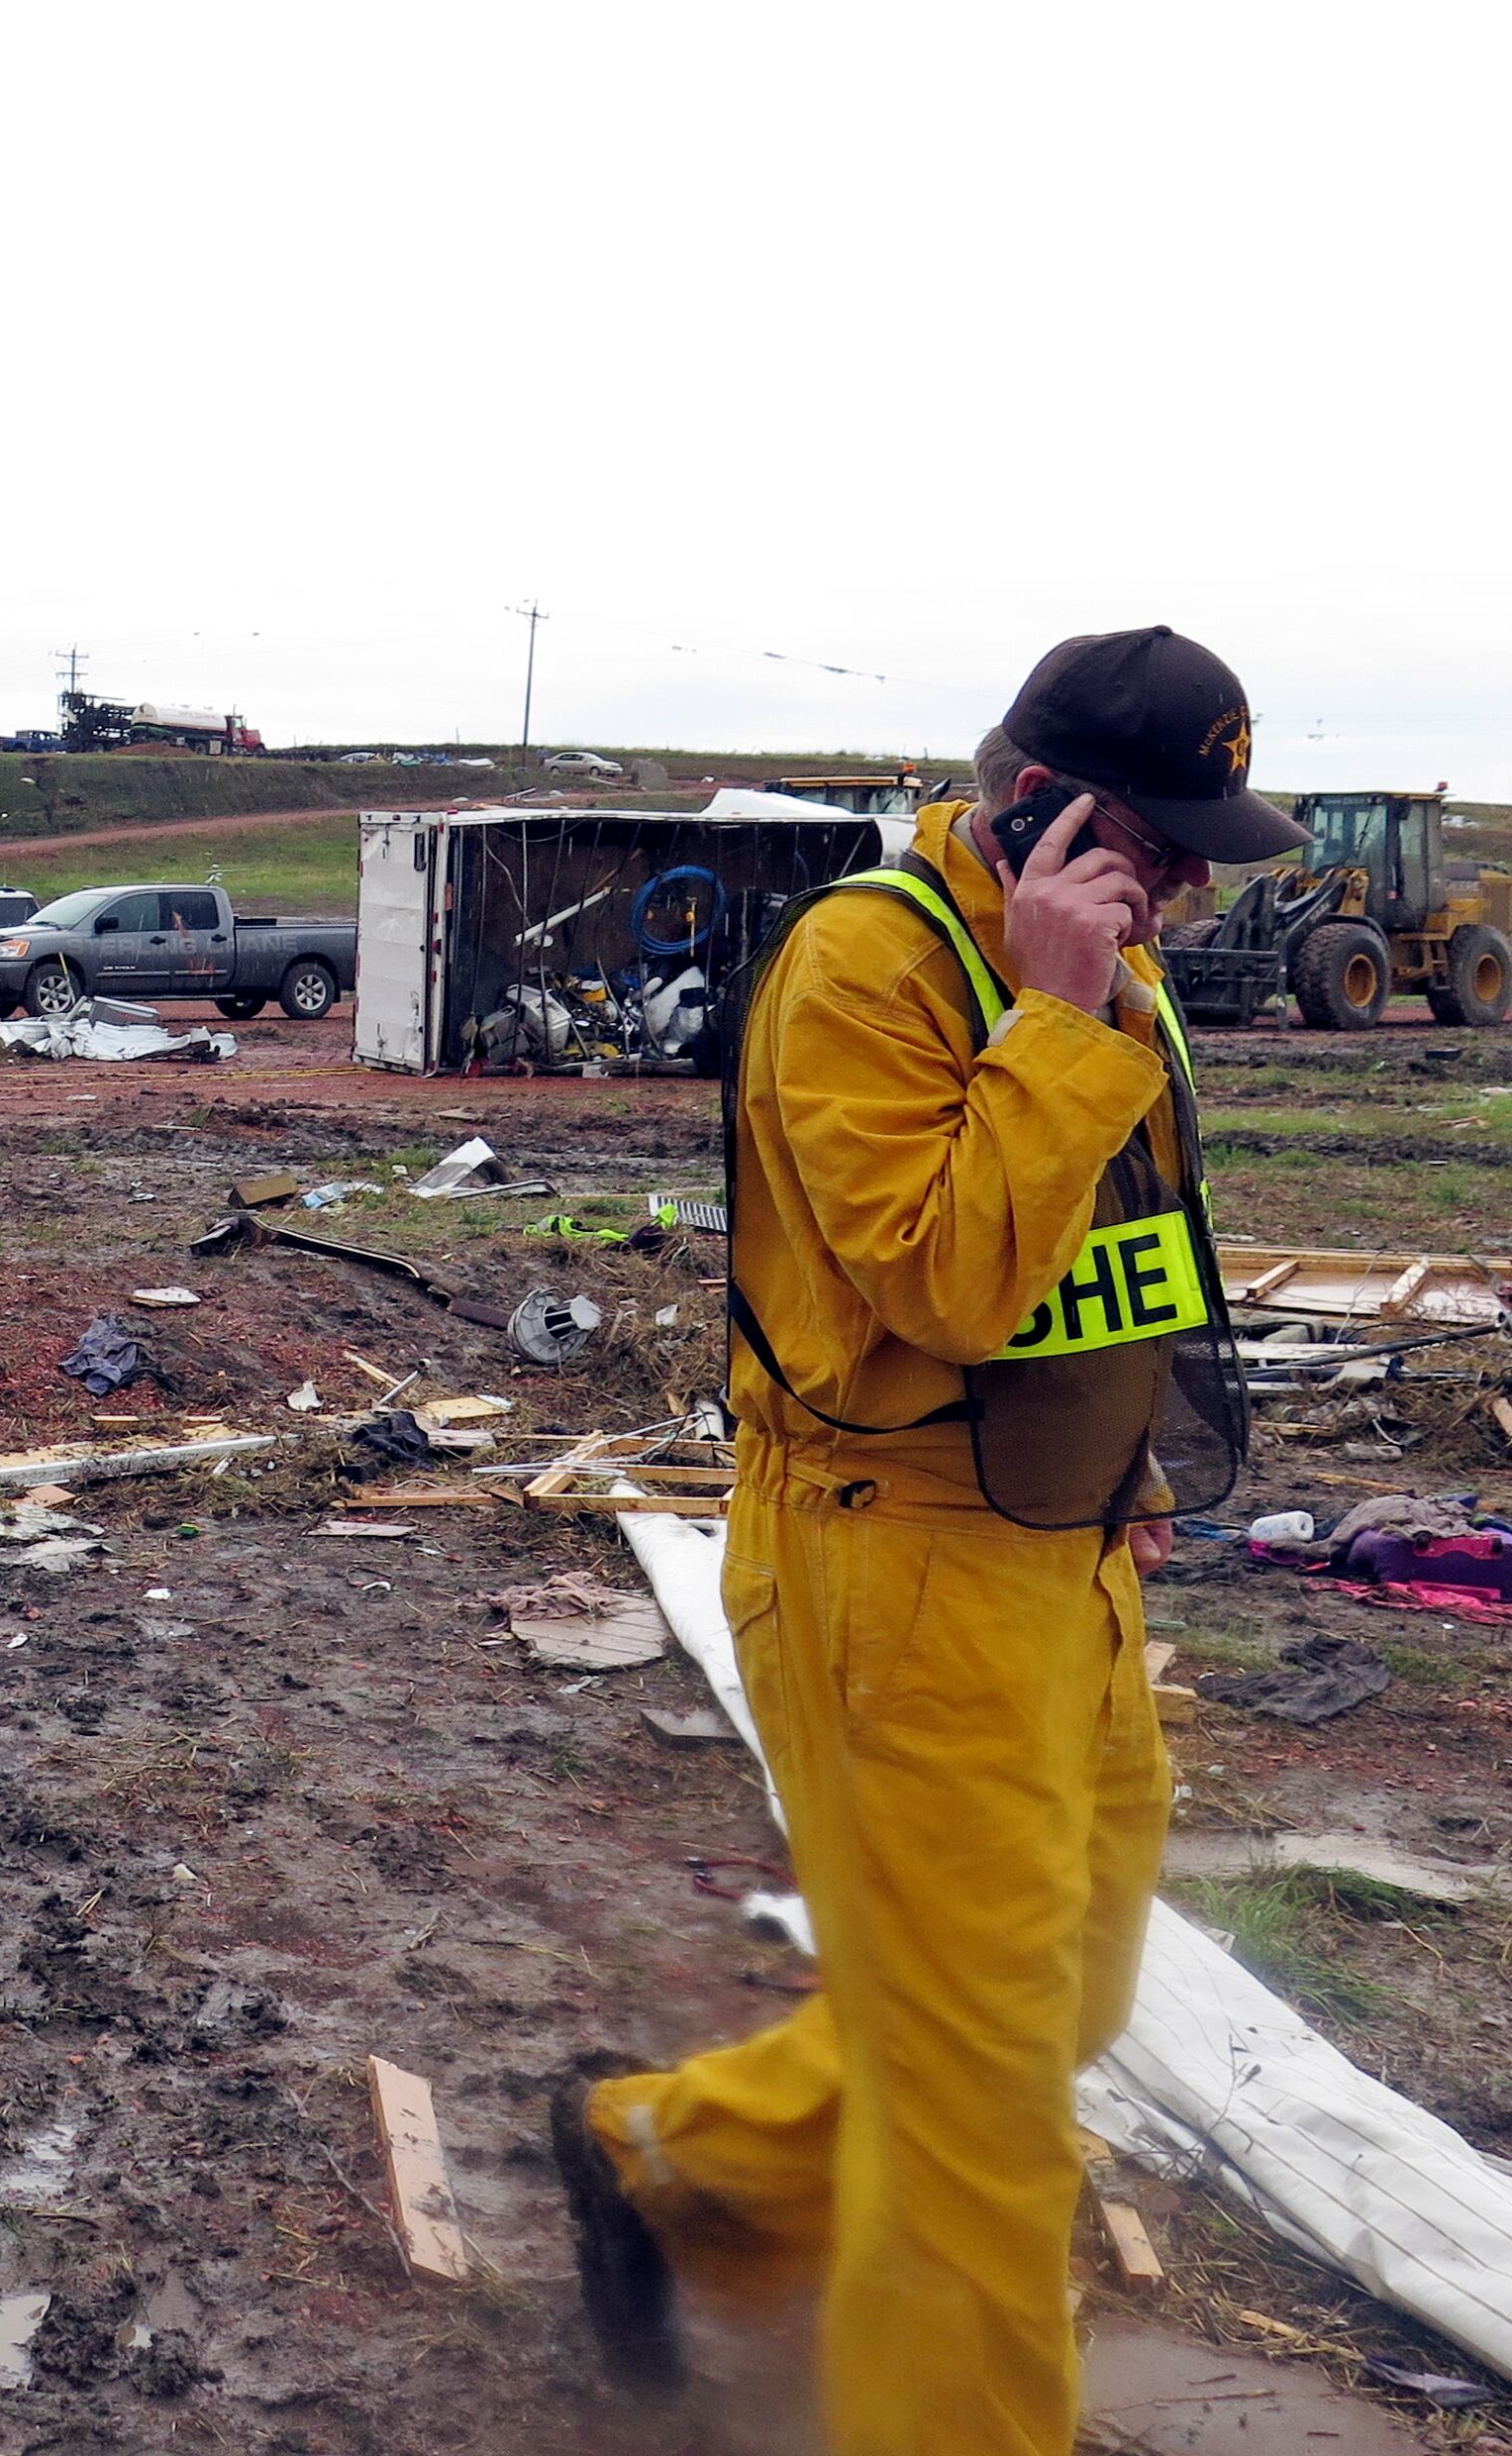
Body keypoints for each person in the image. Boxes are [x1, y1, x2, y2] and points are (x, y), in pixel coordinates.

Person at [551, 628, 1308, 2454]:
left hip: (1066, 1556)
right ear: (1042, 804)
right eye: (1168, 837)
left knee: (1064, 1994)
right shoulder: (870, 967)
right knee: (979, 2132)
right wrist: (1054, 1021)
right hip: (895, 1568)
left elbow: (1100, 1258)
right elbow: (949, 1281)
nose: (1199, 878)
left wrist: (1123, 1461)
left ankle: (671, 2161)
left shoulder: (1101, 966)